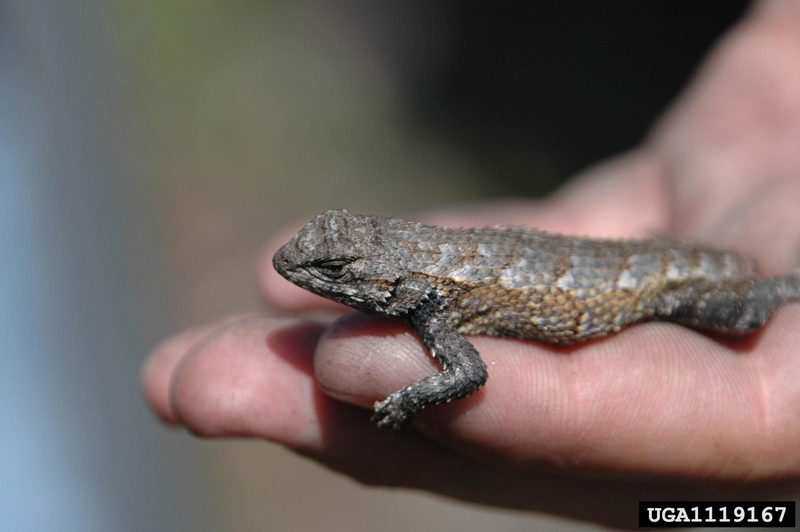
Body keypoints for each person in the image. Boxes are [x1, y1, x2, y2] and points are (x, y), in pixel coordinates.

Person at [141, 1, 800, 526]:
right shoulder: (425, 285)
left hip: (655, 281)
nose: (307, 271)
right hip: (637, 256)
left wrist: (410, 398)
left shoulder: (430, 301)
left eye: (337, 273)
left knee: (741, 316)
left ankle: (780, 289)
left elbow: (468, 371)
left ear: (387, 278)